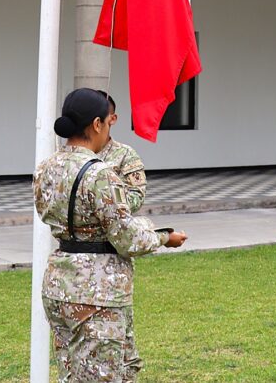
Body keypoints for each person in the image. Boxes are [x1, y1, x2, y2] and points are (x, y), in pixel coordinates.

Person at [34, 88, 187, 382]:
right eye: (107, 122)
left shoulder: (45, 168)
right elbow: (128, 238)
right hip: (97, 291)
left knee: (73, 374)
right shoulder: (98, 173)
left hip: (58, 284)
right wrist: (165, 237)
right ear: (96, 124)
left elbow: (47, 213)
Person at [96, 92, 147, 212]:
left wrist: (99, 202)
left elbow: (136, 197)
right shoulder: (74, 154)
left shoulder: (125, 154)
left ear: (112, 119)